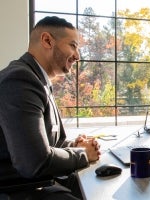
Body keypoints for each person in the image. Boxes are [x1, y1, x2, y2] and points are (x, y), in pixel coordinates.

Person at [0, 16, 100, 199]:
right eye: (73, 45)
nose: (77, 56)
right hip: (18, 190)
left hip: (35, 182)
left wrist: (75, 145)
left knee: (98, 186)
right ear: (47, 40)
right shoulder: (19, 81)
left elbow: (51, 143)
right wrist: (83, 153)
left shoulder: (39, 80)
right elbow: (34, 162)